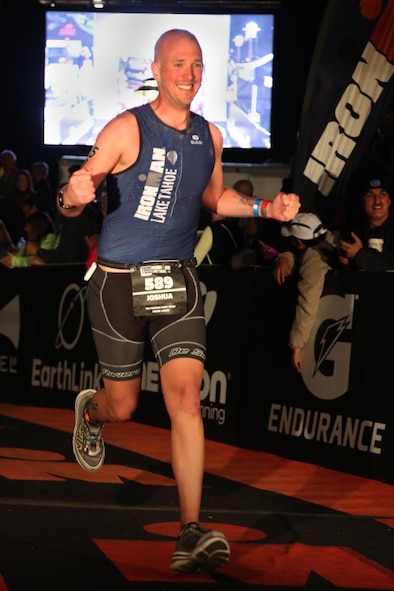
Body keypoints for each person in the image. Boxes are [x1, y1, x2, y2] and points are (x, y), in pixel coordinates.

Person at [57, 29, 300, 573]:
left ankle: (190, 529)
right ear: (158, 69)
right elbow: (75, 197)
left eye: (196, 65)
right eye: (178, 65)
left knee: (186, 400)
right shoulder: (125, 128)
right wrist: (69, 199)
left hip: (178, 282)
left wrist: (267, 210)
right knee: (123, 404)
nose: (189, 75)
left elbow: (213, 198)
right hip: (118, 284)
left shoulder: (209, 136)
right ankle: (91, 412)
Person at [273, 212, 340, 372]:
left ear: (298, 242)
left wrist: (297, 345)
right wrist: (284, 258)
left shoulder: (313, 261)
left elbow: (307, 302)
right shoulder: (330, 239)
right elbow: (297, 255)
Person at [339, 176, 394, 271]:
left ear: (389, 201)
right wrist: (346, 262)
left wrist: (359, 255)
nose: (377, 201)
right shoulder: (352, 231)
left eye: (383, 194)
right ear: (362, 203)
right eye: (370, 195)